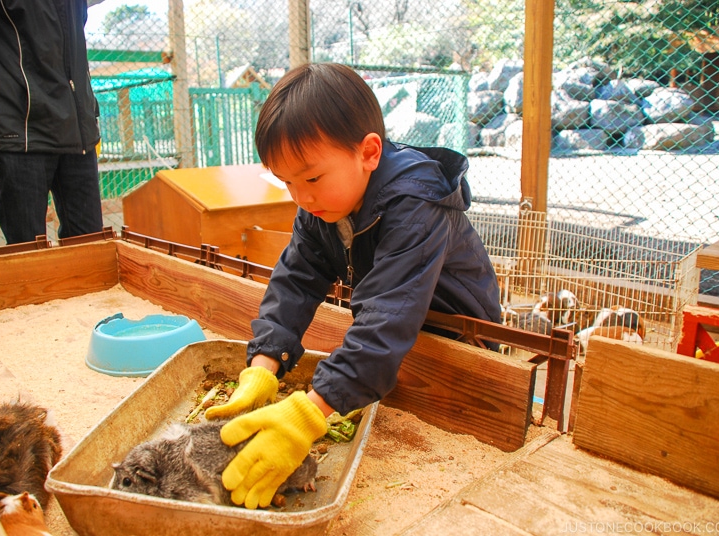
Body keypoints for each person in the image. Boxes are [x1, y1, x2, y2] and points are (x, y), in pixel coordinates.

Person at [204, 62, 501, 509]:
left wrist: (308, 413)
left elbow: (387, 319)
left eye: (310, 178)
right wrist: (264, 366)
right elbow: (295, 281)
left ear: (368, 153)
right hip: (397, 339)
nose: (300, 197)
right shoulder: (322, 204)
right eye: (286, 182)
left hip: (459, 342)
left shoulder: (416, 203)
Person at [0, 0, 104, 245]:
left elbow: (73, 50)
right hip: (19, 127)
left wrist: (88, 119)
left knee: (91, 245)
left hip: (76, 132)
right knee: (27, 252)